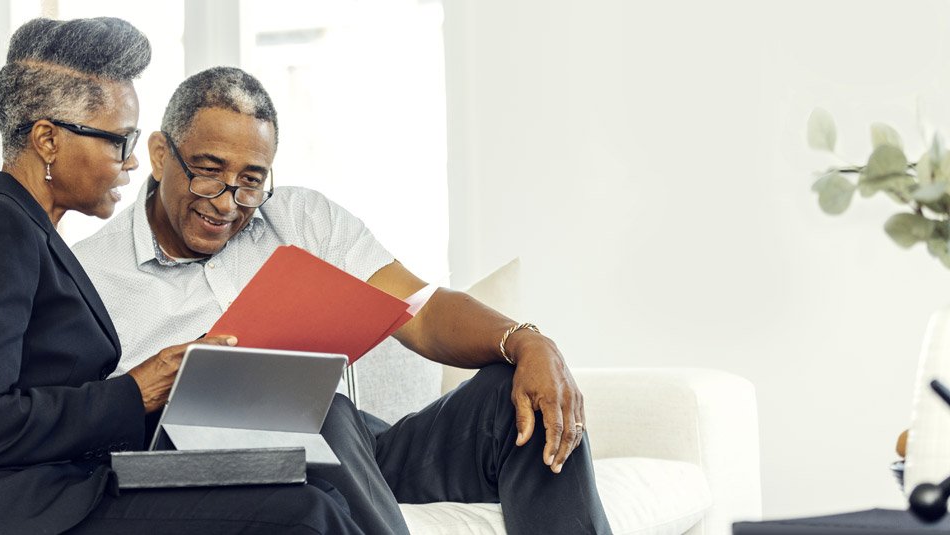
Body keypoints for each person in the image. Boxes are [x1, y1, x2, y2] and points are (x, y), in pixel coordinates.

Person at [73, 66, 613, 534]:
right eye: (210, 172)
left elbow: (422, 312)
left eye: (251, 181)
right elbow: (87, 435)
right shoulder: (90, 275)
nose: (229, 202)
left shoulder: (304, 219)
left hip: (348, 448)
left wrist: (526, 341)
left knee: (513, 394)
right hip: (218, 479)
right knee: (303, 403)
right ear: (162, 155)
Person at [0, 19, 364, 535]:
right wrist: (136, 391)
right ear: (47, 140)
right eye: (119, 141)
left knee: (307, 486)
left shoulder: (33, 236)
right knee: (307, 515)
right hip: (9, 513)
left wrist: (187, 393)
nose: (135, 161)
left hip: (62, 493)